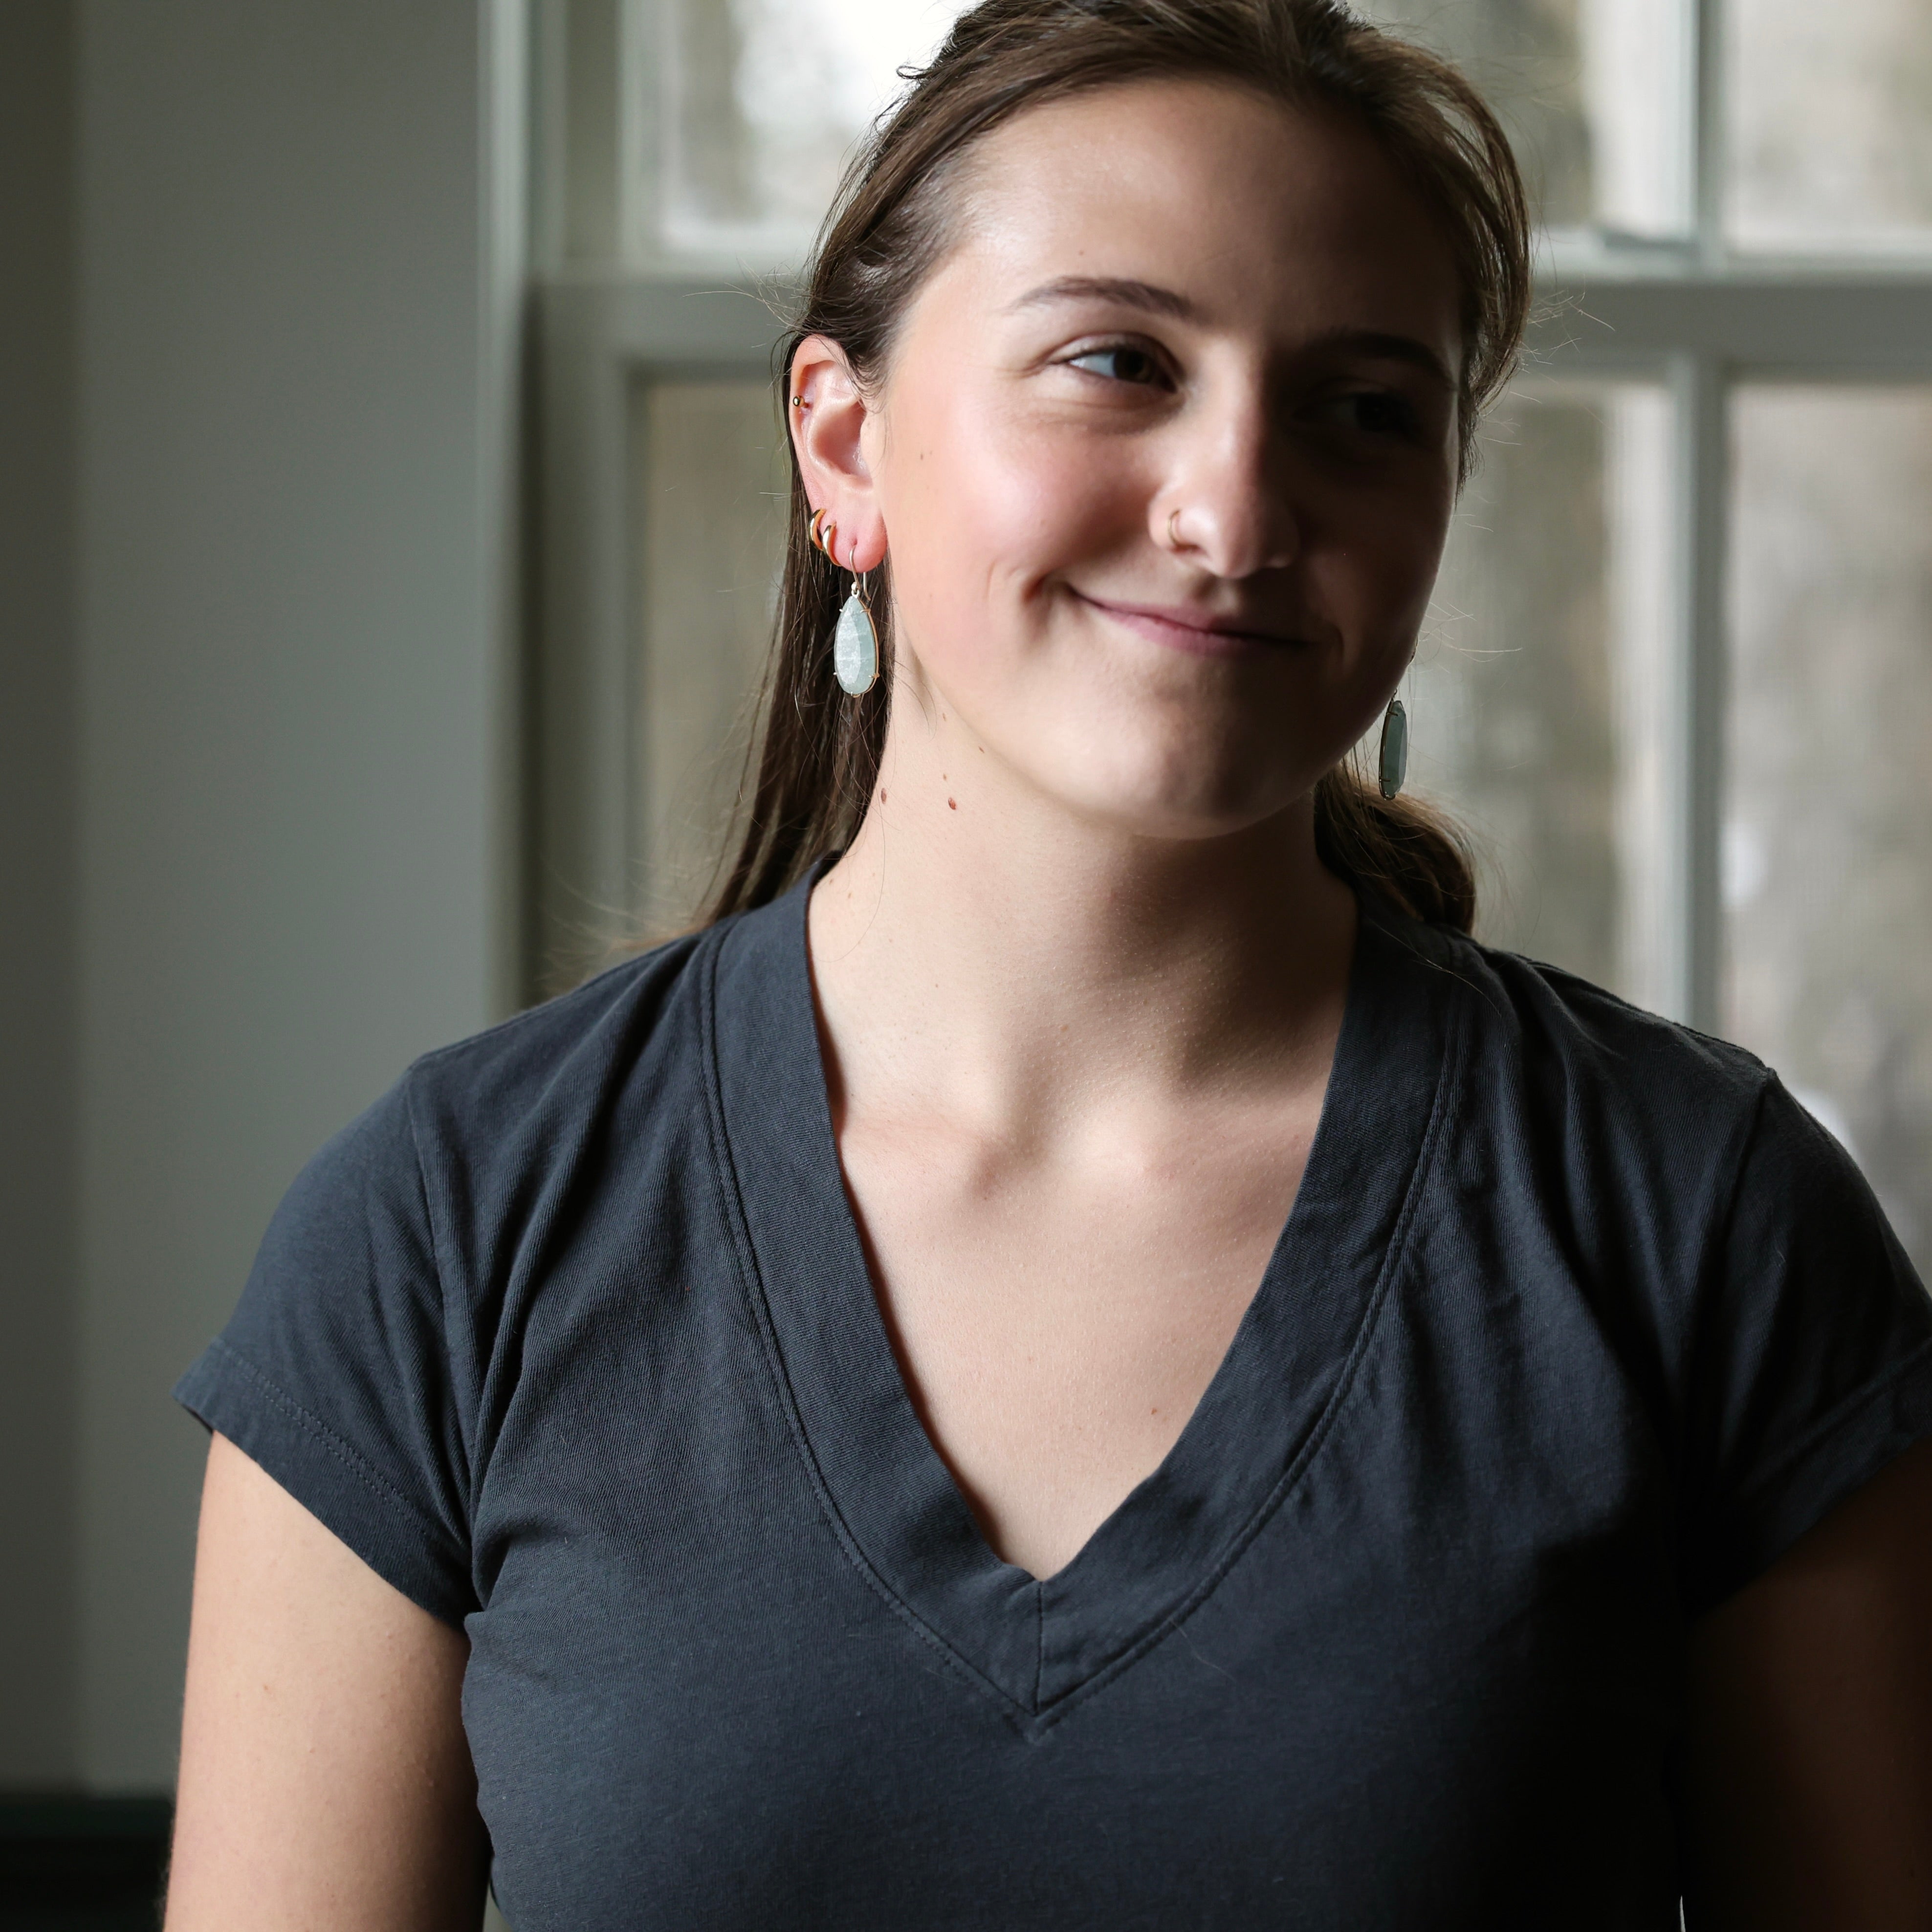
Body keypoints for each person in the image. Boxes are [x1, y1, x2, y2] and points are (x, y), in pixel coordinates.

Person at [163, 1, 1932, 1926]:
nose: (1236, 511)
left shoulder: (1704, 1225)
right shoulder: (443, 1239)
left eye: (1359, 409)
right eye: (1117, 361)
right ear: (846, 442)